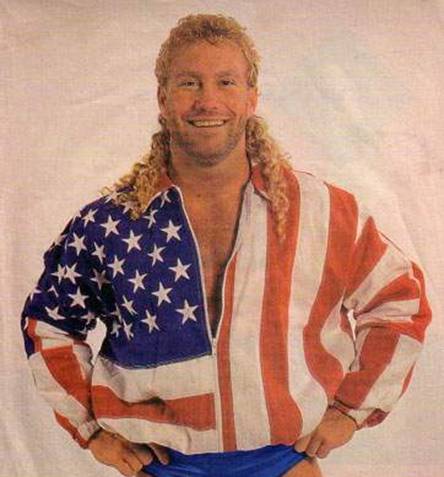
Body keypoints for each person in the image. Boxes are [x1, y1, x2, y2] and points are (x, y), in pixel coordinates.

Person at [21, 13, 431, 477]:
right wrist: (93, 431)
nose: (208, 101)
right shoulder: (109, 223)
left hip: (283, 460)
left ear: (252, 97)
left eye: (226, 82)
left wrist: (351, 410)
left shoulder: (325, 211)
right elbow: (49, 325)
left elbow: (398, 301)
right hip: (161, 465)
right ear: (162, 98)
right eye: (189, 83)